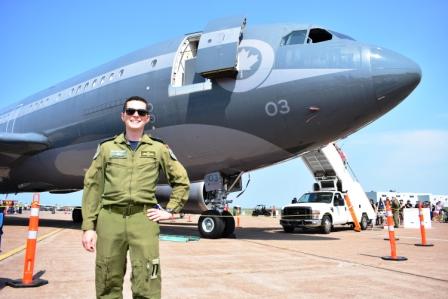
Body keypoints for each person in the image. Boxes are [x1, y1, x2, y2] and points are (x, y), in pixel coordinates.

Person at [81, 96, 190, 299]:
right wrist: (89, 227)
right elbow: (92, 187)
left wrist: (170, 211)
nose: (136, 116)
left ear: (147, 118)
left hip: (144, 218)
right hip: (110, 218)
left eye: (141, 112)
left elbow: (181, 181)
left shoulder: (158, 149)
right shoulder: (107, 148)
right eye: (131, 111)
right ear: (123, 116)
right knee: (107, 278)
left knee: (148, 277)